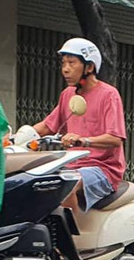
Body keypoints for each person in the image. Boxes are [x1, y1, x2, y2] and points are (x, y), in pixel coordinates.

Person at [33, 38, 127, 212]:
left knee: (66, 184)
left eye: (71, 63)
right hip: (72, 164)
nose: (65, 69)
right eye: (63, 63)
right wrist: (18, 136)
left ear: (89, 67)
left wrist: (84, 141)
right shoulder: (68, 94)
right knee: (35, 182)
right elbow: (47, 126)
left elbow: (115, 139)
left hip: (102, 169)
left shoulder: (109, 95)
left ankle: (72, 229)